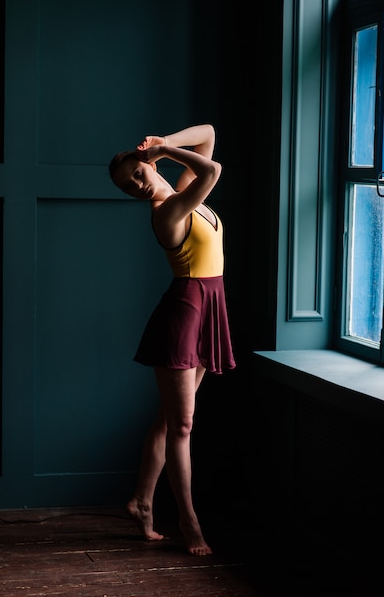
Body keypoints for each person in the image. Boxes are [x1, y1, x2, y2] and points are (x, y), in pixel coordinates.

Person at [109, 124, 236, 556]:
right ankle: (189, 521)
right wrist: (162, 151)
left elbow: (207, 136)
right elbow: (213, 170)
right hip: (184, 313)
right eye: (128, 188)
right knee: (182, 425)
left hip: (208, 308)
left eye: (138, 176)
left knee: (169, 420)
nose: (137, 187)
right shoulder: (167, 211)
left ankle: (141, 501)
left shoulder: (178, 190)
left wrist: (165, 146)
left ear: (150, 166)